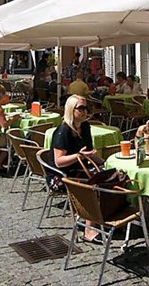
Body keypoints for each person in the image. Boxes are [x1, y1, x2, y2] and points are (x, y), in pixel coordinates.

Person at [49, 95, 102, 243]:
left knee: (109, 177)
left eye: (86, 108)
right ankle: (88, 229)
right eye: (81, 108)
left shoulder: (85, 127)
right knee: (92, 185)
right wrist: (78, 156)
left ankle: (104, 217)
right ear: (71, 110)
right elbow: (59, 161)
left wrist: (104, 163)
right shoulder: (63, 131)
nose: (85, 112)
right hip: (60, 176)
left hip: (80, 168)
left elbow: (89, 152)